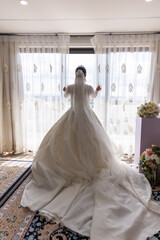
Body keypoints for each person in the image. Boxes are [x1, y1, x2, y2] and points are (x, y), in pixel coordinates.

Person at [21, 65, 160, 240]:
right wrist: (98, 90)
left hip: (72, 116)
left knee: (65, 142)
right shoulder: (87, 87)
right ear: (85, 75)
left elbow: (66, 96)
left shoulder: (71, 87)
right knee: (92, 143)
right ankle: (91, 164)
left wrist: (66, 89)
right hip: (87, 117)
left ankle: (68, 166)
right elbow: (93, 95)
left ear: (75, 75)